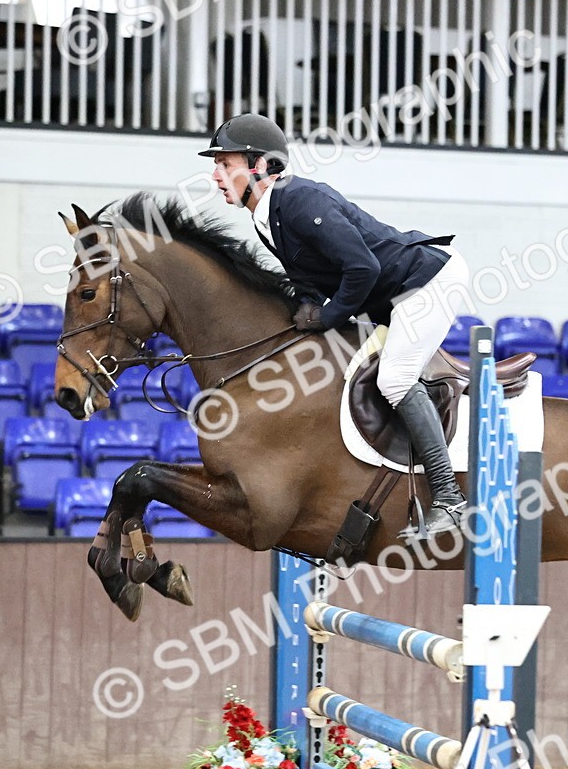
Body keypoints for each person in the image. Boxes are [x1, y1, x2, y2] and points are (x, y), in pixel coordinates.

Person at [199, 113, 470, 537]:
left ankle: (450, 499)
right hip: (388, 296)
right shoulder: (264, 216)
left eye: (225, 164)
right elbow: (309, 278)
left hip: (426, 282)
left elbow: (363, 267)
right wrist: (306, 309)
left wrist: (326, 316)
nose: (215, 175)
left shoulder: (301, 201)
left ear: (259, 166)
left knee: (395, 380)